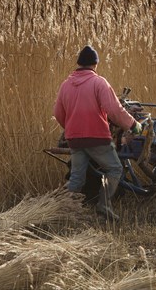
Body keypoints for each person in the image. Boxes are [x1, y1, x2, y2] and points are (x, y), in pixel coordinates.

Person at [54, 45, 142, 222]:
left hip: (75, 140)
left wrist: (71, 128)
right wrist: (133, 125)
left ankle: (60, 210)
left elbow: (58, 113)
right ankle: (104, 205)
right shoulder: (99, 82)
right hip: (96, 138)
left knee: (77, 178)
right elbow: (114, 110)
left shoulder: (66, 84)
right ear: (95, 64)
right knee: (115, 168)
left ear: (79, 64)